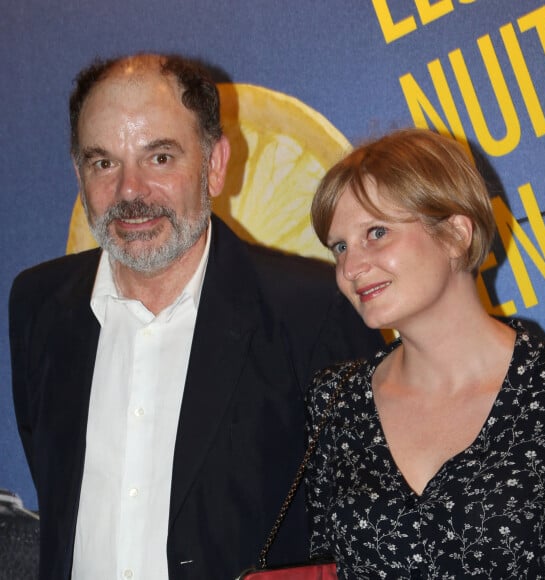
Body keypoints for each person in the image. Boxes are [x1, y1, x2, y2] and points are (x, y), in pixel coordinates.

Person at [8, 53, 384, 580]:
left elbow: (368, 531)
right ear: (78, 172)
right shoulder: (38, 305)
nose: (130, 192)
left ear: (214, 164)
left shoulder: (313, 312)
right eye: (103, 163)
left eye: (159, 158)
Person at [305, 128, 545, 579]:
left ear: (455, 233)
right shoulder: (336, 400)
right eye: (340, 247)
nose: (351, 268)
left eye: (376, 233)